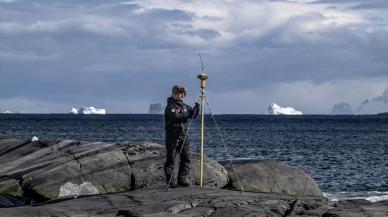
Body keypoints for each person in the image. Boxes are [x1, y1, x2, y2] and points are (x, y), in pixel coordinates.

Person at [164, 85, 200, 188]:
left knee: (186, 158)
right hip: (172, 137)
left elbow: (192, 115)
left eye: (183, 93)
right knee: (171, 159)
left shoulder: (185, 106)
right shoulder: (170, 106)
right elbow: (176, 116)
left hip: (184, 136)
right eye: (180, 93)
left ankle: (182, 179)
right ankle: (170, 180)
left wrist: (196, 108)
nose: (182, 95)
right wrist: (186, 113)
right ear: (174, 94)